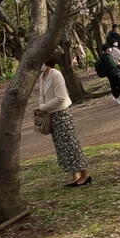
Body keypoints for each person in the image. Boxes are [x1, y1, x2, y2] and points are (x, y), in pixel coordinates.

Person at [38, 53, 91, 187]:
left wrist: (44, 106)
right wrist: (41, 106)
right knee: (62, 147)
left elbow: (60, 98)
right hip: (51, 115)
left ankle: (85, 174)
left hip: (61, 114)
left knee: (71, 144)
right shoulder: (42, 77)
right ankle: (75, 175)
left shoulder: (56, 75)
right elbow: (41, 95)